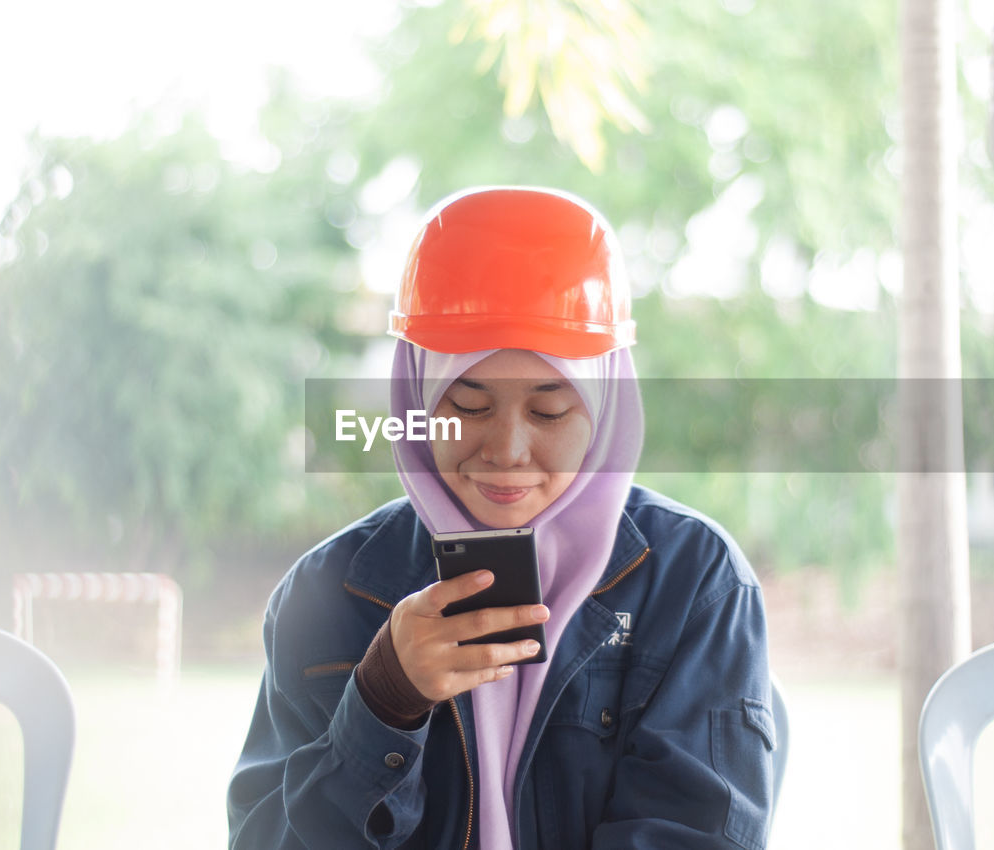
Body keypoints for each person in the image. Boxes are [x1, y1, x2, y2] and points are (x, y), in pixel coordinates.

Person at [227, 187, 775, 849]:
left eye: (550, 411)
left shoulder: (693, 583)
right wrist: (381, 703)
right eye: (466, 405)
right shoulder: (330, 590)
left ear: (605, 412)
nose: (507, 452)